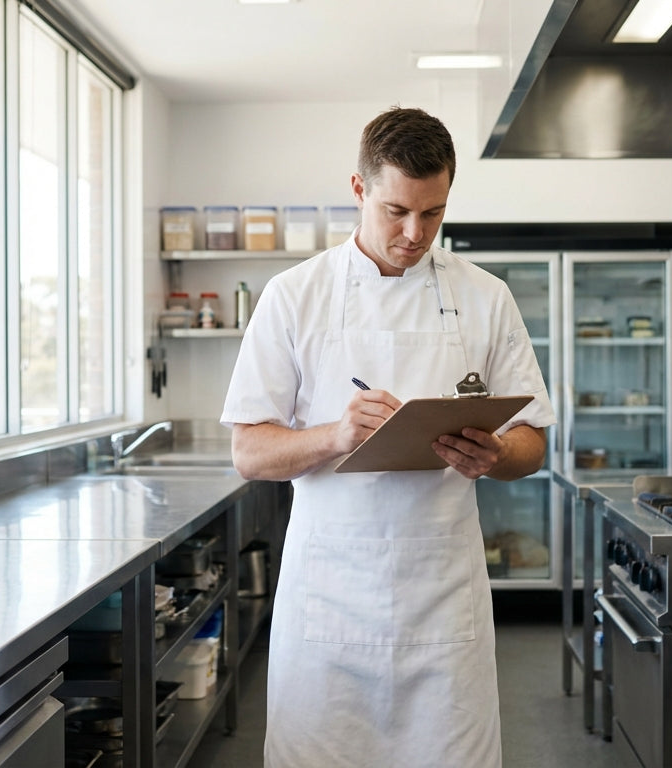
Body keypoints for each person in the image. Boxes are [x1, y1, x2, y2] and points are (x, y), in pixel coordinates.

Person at [220, 106, 555, 767]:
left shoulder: (485, 298)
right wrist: (335, 435)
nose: (414, 232)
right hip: (329, 608)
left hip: (443, 606)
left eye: (433, 214)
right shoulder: (295, 297)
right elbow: (249, 452)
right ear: (358, 190)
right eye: (396, 211)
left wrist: (495, 455)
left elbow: (532, 444)